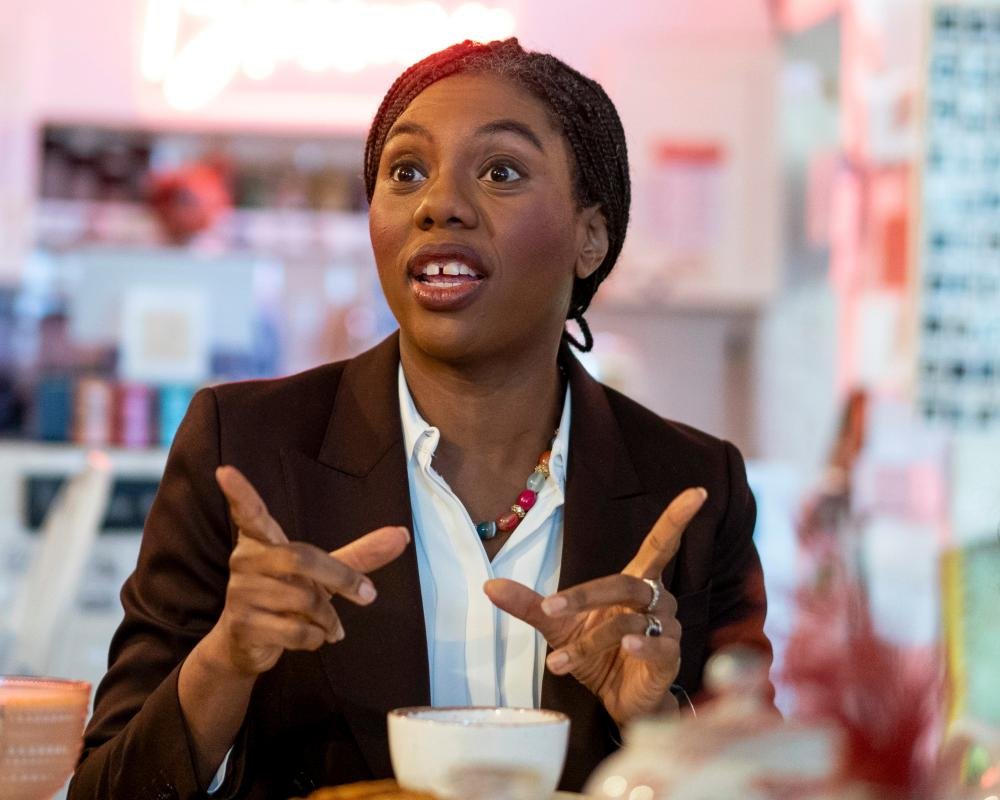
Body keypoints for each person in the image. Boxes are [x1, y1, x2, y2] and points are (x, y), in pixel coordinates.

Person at [68, 38, 770, 799]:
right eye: (406, 172)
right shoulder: (245, 451)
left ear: (589, 237)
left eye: (500, 172)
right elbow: (107, 788)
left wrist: (660, 723)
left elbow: (780, 781)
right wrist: (224, 662)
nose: (439, 203)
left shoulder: (694, 488)